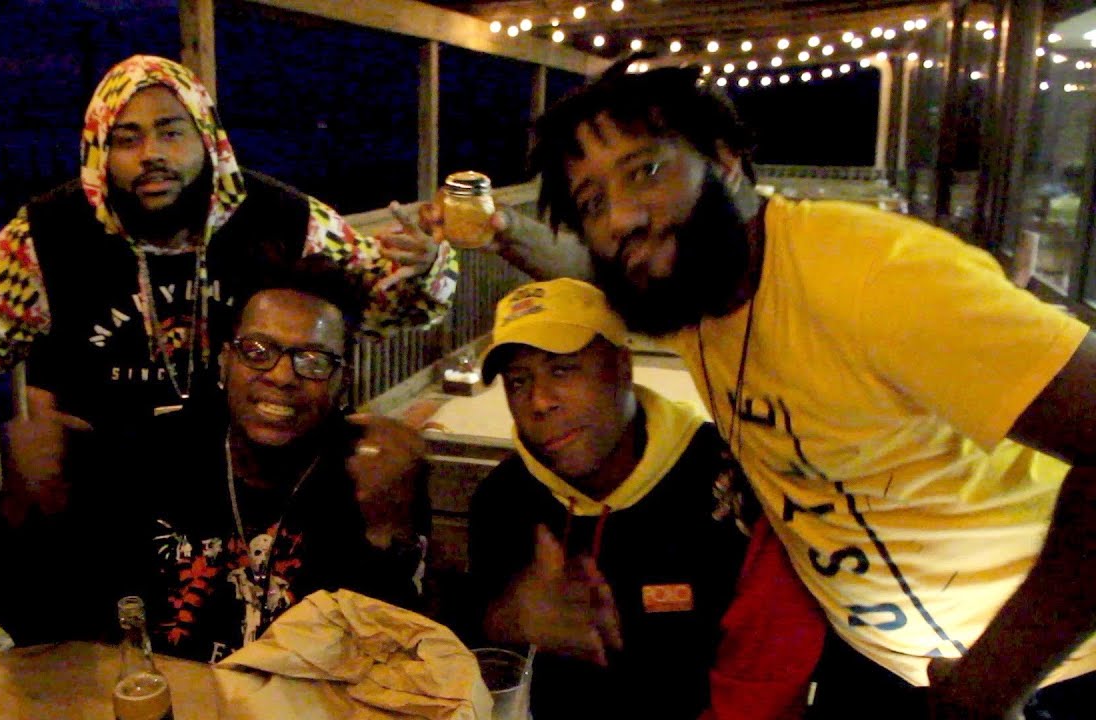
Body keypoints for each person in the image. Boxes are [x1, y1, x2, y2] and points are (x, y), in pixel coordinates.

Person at [469, 61, 1096, 719]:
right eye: (592, 202)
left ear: (725, 158)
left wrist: (989, 688)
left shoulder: (871, 277)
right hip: (884, 661)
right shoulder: (699, 296)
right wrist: (500, 231)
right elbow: (595, 266)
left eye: (646, 170)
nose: (621, 217)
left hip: (1043, 667)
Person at [0, 54, 456, 524]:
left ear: (208, 139)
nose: (151, 155)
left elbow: (389, 306)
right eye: (126, 139)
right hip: (109, 491)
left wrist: (425, 267)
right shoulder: (49, 230)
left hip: (262, 483)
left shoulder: (284, 217)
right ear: (100, 153)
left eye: (171, 133)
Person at [468, 278, 823, 719]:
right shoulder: (504, 499)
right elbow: (471, 663)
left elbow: (765, 689)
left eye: (562, 369)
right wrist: (503, 619)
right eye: (519, 381)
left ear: (623, 366)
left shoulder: (731, 489)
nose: (539, 401)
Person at [146, 258, 430, 663]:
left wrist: (386, 529)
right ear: (226, 361)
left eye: (314, 361)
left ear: (342, 381)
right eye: (257, 351)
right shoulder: (157, 454)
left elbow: (395, 654)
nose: (281, 376)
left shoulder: (374, 475)